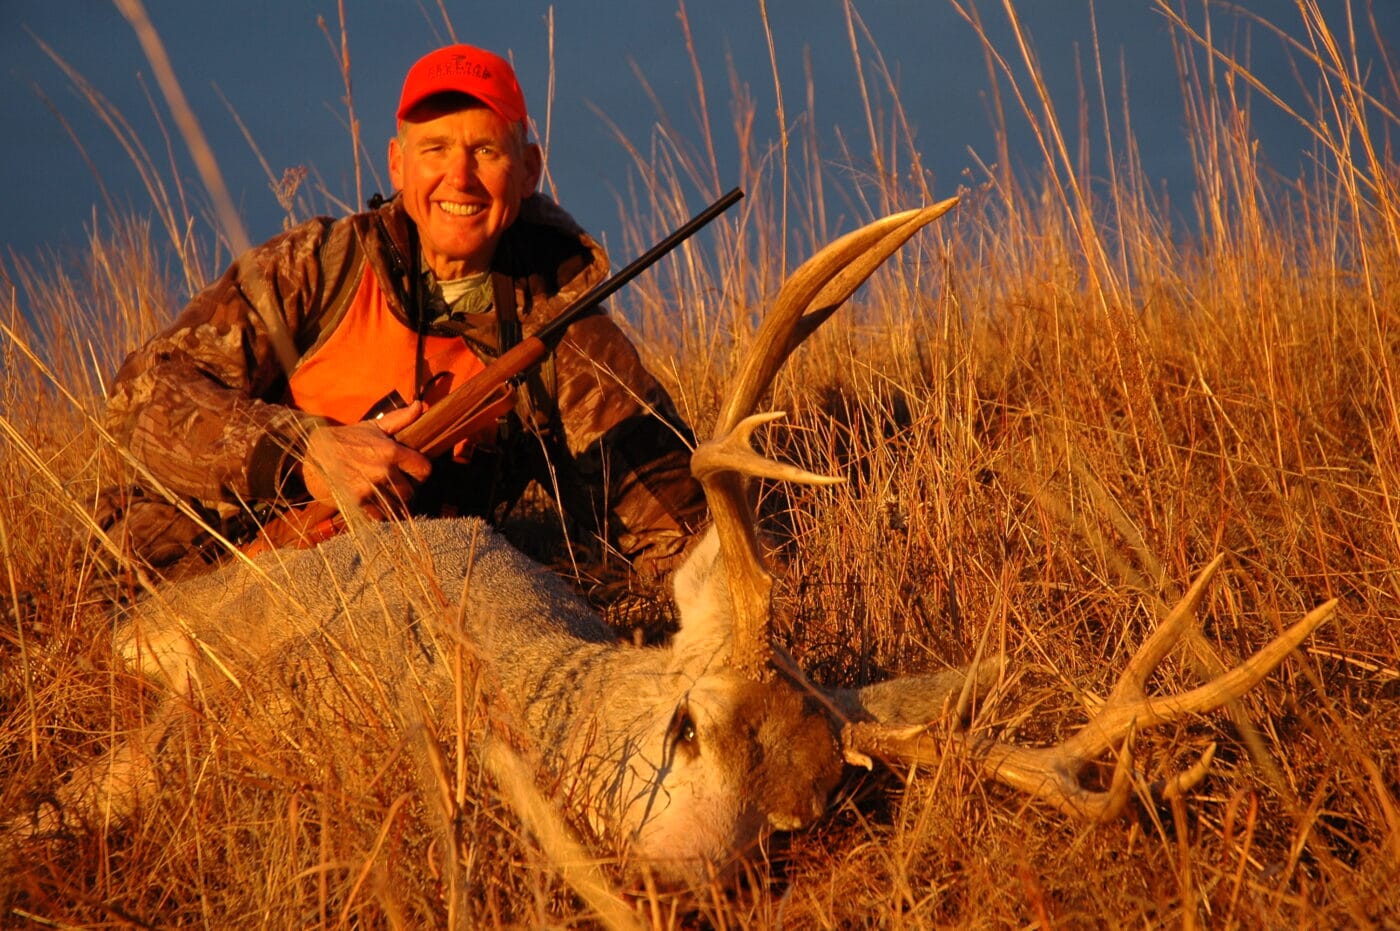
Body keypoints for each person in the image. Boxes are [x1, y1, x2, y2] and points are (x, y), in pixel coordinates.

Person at [94, 43, 707, 596]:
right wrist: (305, 452)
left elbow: (672, 520)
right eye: (434, 149)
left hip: (399, 601)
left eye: (485, 150)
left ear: (528, 170)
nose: (458, 177)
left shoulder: (558, 324)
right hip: (199, 566)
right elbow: (142, 399)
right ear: (397, 165)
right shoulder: (316, 269)